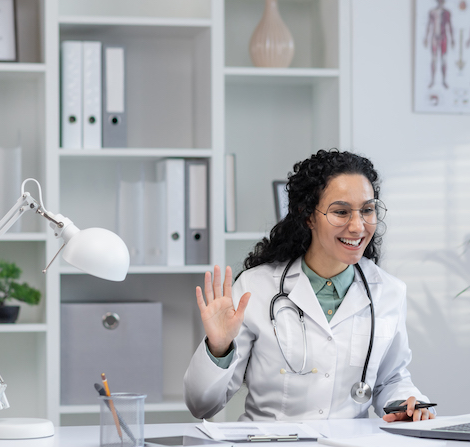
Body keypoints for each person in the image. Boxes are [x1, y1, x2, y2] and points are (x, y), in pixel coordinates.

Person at [184, 150, 434, 422]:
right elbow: (201, 406)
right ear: (308, 216)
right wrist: (218, 348)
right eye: (341, 212)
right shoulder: (255, 288)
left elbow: (391, 378)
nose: (358, 225)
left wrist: (407, 404)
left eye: (367, 210)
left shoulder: (388, 292)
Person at [424, 0, 454, 89]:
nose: (440, 2)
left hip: (443, 37)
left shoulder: (446, 13)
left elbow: (450, 25)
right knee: (433, 59)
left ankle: (444, 81)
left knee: (443, 59)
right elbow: (429, 25)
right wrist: (426, 37)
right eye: (439, 0)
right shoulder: (432, 12)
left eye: (441, 0)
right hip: (434, 37)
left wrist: (452, 38)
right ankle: (432, 80)